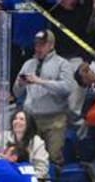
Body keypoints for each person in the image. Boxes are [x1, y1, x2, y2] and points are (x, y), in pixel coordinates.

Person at [13, 30, 73, 173]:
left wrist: (40, 81)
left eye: (42, 45)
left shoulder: (62, 64)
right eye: (36, 45)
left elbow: (67, 88)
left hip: (54, 119)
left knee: (53, 157)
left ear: (51, 45)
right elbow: (15, 92)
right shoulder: (28, 64)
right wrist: (21, 84)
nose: (38, 48)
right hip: (31, 118)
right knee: (27, 155)